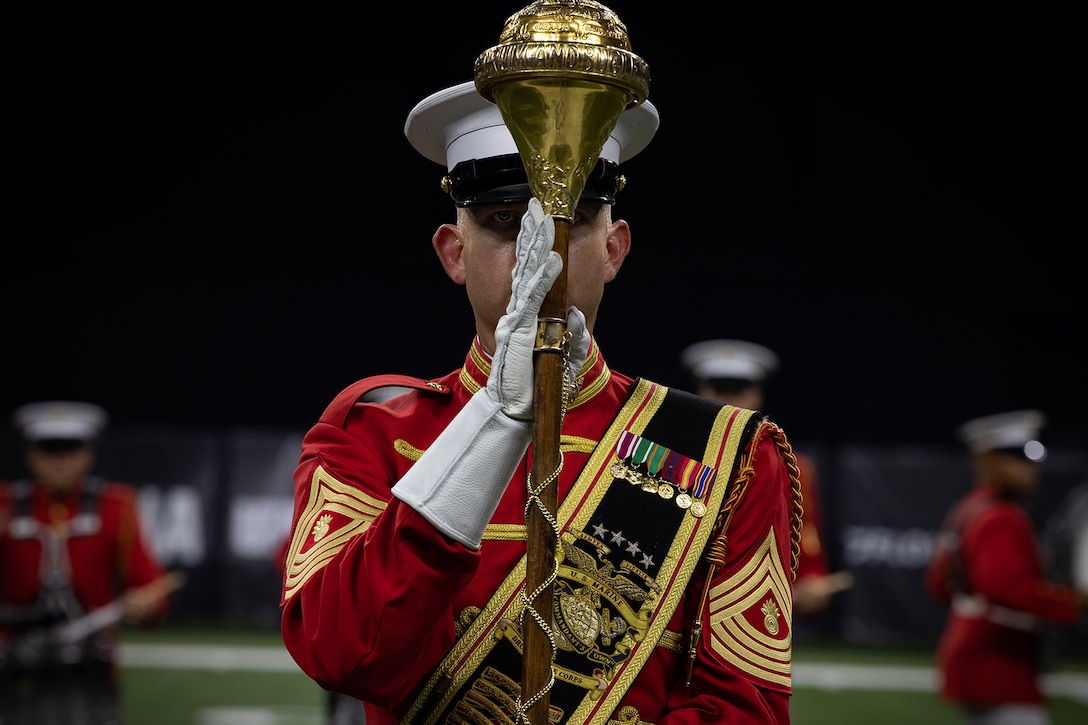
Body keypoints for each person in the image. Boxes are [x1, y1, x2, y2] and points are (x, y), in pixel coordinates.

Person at [278, 78, 802, 724]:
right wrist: (497, 417)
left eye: (571, 218)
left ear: (614, 250)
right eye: (504, 222)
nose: (540, 253)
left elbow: (743, 711)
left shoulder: (731, 456)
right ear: (453, 253)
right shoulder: (374, 430)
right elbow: (337, 652)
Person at [0, 401, 174, 725]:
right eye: (48, 449)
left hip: (90, 670)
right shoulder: (5, 505)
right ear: (31, 455)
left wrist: (146, 604)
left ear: (87, 455)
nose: (59, 460)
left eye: (69, 449)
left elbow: (149, 585)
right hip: (13, 666)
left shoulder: (116, 506)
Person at [924, 409, 1088, 725]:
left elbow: (939, 583)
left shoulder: (969, 507)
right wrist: (1072, 601)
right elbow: (1003, 588)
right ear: (988, 460)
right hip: (999, 659)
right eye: (1017, 457)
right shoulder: (1002, 516)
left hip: (974, 650)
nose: (1031, 468)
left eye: (1032, 458)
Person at [680, 339, 850, 617]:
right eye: (718, 389)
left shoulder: (791, 465)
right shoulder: (674, 454)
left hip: (752, 601)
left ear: (757, 395)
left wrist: (809, 578)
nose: (727, 400)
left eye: (738, 390)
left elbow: (804, 533)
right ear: (700, 391)